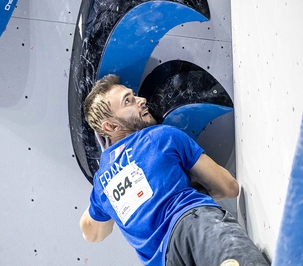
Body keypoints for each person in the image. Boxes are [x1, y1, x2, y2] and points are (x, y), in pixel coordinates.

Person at [79, 74, 269, 266]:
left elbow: (91, 233)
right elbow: (228, 187)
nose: (142, 100)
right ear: (110, 126)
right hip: (195, 228)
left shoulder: (102, 183)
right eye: (128, 101)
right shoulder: (159, 136)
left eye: (134, 95)